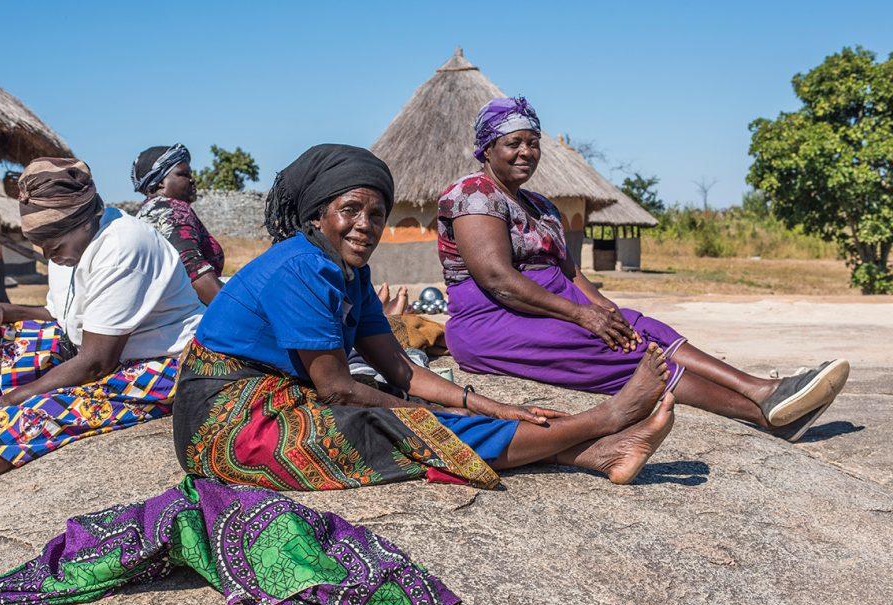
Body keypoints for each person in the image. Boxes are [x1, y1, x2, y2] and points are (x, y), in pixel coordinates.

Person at [172, 144, 676, 495]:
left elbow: (402, 370)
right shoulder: (299, 268)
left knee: (418, 410)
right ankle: (604, 421)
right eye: (351, 210)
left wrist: (492, 405)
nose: (365, 226)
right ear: (318, 217)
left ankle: (597, 453)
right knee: (394, 426)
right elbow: (338, 390)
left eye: (376, 214)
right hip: (226, 424)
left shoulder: (351, 274)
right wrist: (444, 413)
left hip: (276, 397)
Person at [439, 97, 849, 443]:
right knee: (630, 355)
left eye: (533, 142)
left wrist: (608, 311)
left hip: (552, 305)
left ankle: (764, 390)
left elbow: (572, 275)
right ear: (488, 147)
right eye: (514, 143)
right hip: (493, 320)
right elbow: (498, 280)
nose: (526, 151)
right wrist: (583, 315)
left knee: (642, 330)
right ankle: (766, 416)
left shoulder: (542, 205)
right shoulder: (474, 194)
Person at [0, 158, 204, 551]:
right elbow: (69, 318)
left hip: (166, 363)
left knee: (42, 413)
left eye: (54, 246)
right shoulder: (69, 245)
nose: (48, 256)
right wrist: (5, 311)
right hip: (104, 350)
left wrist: (16, 397)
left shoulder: (124, 244)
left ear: (85, 220)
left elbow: (97, 361)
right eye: (40, 248)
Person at [132, 144, 225, 304]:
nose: (192, 180)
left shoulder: (147, 211)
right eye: (184, 174)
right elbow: (194, 271)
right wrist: (239, 313)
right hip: (184, 320)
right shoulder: (171, 209)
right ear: (160, 181)